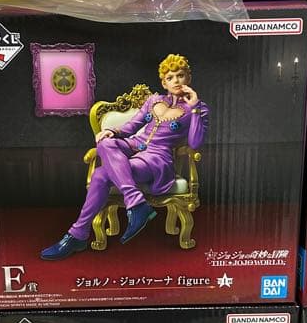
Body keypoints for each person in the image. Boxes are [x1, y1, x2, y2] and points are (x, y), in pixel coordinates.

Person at [40, 53, 209, 259]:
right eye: (170, 77)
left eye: (180, 75)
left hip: (157, 159)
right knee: (105, 142)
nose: (176, 80)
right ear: (164, 82)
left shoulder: (197, 109)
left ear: (188, 78)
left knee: (101, 175)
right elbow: (132, 126)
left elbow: (195, 143)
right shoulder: (153, 100)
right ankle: (136, 203)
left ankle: (77, 235)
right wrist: (113, 132)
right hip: (133, 145)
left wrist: (194, 109)